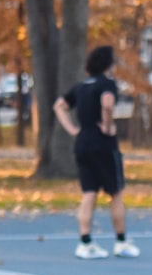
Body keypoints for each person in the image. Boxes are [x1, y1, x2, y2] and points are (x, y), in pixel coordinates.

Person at [53, 45, 140, 259]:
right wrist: (108, 124)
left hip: (83, 142)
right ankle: (121, 242)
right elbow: (108, 104)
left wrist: (73, 129)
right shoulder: (107, 84)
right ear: (109, 64)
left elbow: (59, 106)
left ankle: (85, 242)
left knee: (89, 193)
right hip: (103, 144)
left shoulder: (81, 86)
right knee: (115, 192)